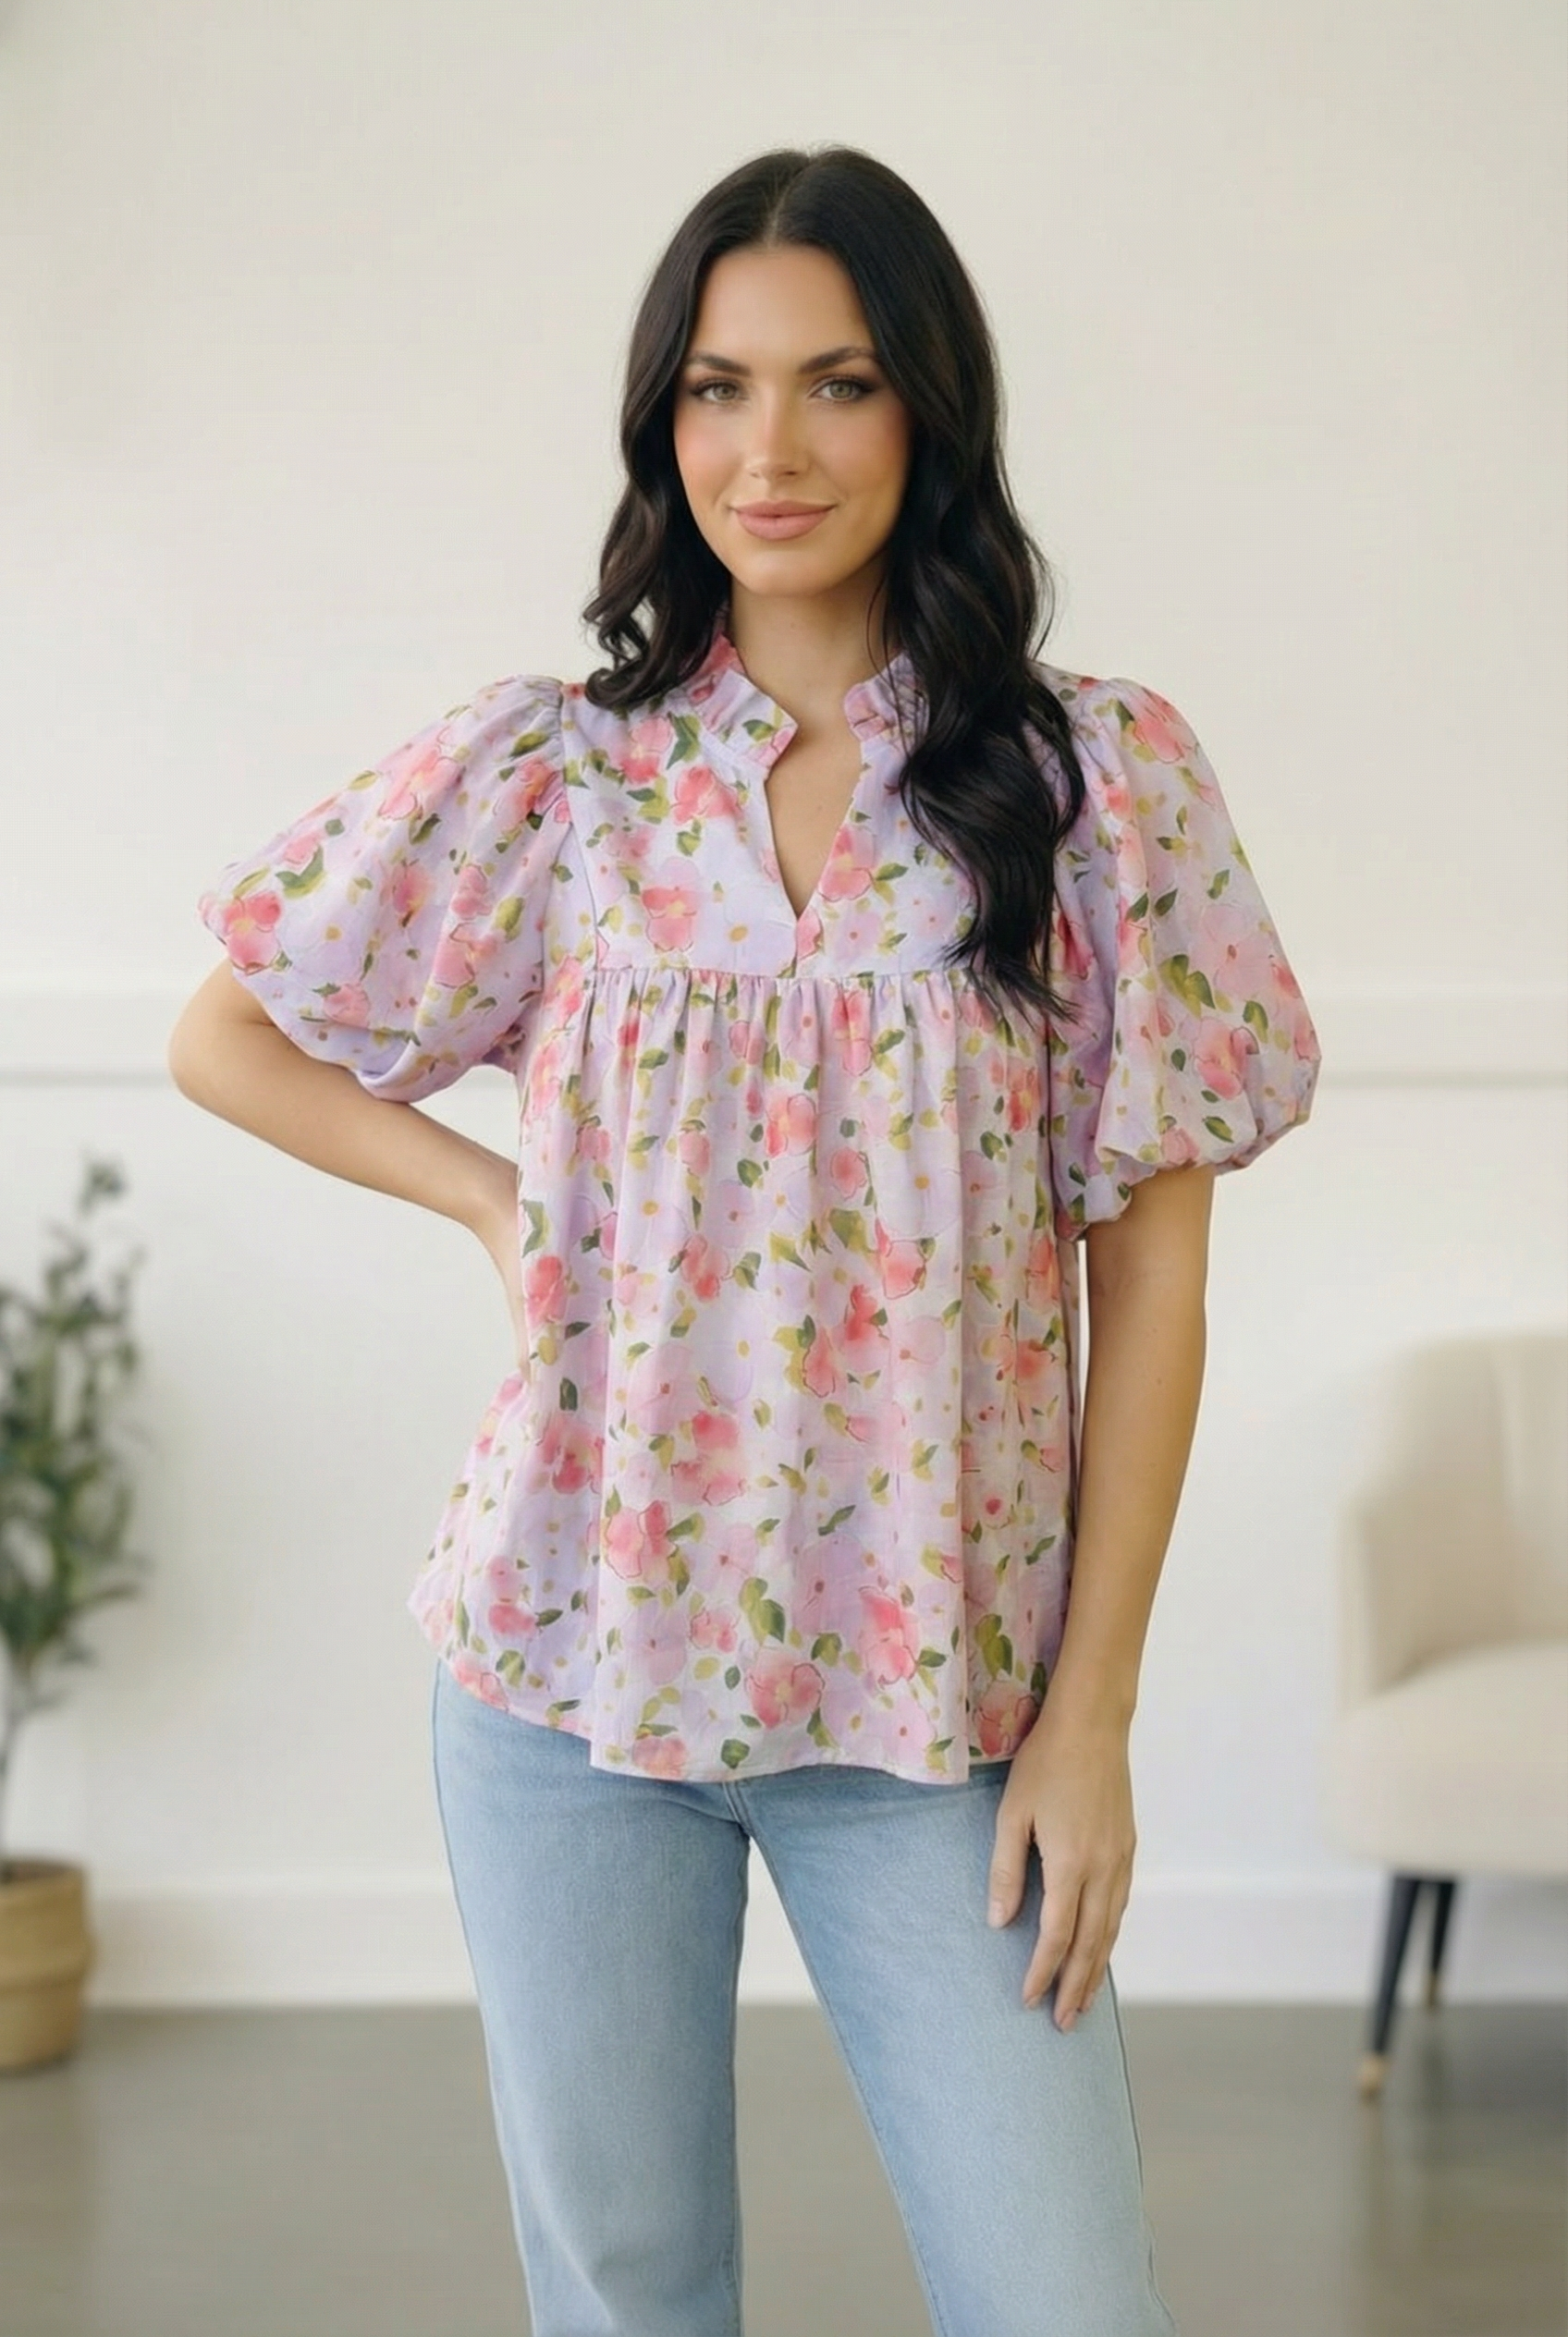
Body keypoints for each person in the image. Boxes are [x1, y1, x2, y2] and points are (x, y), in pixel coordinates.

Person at [171, 143, 1321, 2337]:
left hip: (940, 1709)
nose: (766, 448)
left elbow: (1152, 1285)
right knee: (626, 2298)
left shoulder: (1094, 786)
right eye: (715, 388)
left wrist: (1089, 1718)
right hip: (566, 1674)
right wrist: (491, 1200)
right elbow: (226, 1035)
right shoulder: (557, 780)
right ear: (661, 421)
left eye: (836, 382)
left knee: (1063, 2301)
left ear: (929, 411)